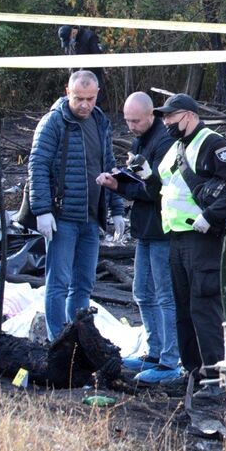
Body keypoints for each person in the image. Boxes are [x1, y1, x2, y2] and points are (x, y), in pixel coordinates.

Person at [155, 93, 226, 385]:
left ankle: (215, 377)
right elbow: (167, 184)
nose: (166, 122)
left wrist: (210, 215)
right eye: (164, 117)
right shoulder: (176, 147)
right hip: (177, 238)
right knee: (183, 309)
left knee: (204, 307)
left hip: (203, 239)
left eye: (171, 116)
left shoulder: (212, 142)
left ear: (189, 115)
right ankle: (193, 373)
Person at [29, 70, 127, 338]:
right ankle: (57, 340)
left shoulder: (100, 121)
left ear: (97, 95)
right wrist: (42, 210)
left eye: (90, 98)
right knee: (58, 282)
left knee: (84, 283)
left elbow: (109, 166)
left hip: (91, 217)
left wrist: (117, 210)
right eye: (79, 98)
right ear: (67, 92)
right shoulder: (53, 123)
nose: (84, 104)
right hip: (62, 216)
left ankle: (79, 339)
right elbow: (37, 165)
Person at [96, 92, 182, 384]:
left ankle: (170, 361)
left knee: (164, 295)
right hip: (145, 228)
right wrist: (121, 180)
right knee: (142, 293)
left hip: (163, 228)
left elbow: (157, 189)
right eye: (127, 120)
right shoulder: (141, 139)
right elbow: (141, 181)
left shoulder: (165, 142)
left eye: (135, 120)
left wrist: (119, 187)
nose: (130, 126)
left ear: (150, 116)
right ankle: (154, 350)